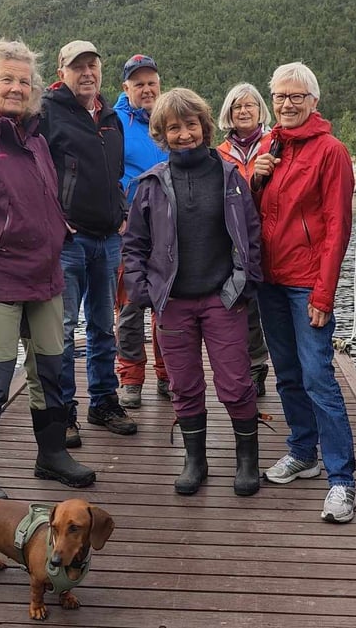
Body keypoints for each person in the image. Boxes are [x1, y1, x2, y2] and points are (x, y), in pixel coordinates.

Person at [0, 38, 96, 500]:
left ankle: (50, 454)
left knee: (51, 369)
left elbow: (46, 206)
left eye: (24, 81)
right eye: (6, 79)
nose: (16, 88)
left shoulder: (37, 142)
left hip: (46, 280)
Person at [122, 88, 263, 497]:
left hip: (223, 297)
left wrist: (242, 284)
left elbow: (250, 236)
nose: (184, 134)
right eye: (173, 128)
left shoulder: (230, 177)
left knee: (236, 383)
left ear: (204, 126)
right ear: (162, 134)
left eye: (190, 125)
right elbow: (134, 246)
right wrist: (143, 290)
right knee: (184, 384)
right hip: (173, 304)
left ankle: (246, 459)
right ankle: (194, 460)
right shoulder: (149, 184)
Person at [251, 62, 356, 523]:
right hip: (271, 282)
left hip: (306, 284)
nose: (288, 104)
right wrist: (256, 177)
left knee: (318, 377)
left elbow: (338, 226)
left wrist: (324, 293)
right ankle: (303, 452)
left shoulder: (331, 151)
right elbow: (259, 216)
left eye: (297, 96)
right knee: (288, 374)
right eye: (280, 96)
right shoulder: (271, 144)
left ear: (314, 101)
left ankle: (342, 480)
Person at [39, 40, 137, 446]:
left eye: (93, 66)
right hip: (69, 243)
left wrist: (122, 211)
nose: (87, 74)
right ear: (62, 72)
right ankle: (63, 414)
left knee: (102, 327)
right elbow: (36, 174)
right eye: (78, 67)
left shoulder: (110, 117)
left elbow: (113, 174)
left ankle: (103, 401)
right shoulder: (46, 112)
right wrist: (55, 220)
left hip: (107, 240)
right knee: (61, 331)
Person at [113, 54, 169, 409]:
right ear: (126, 88)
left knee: (168, 306)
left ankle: (168, 375)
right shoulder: (113, 122)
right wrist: (118, 214)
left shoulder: (169, 118)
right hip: (129, 231)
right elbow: (105, 173)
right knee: (130, 307)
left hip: (168, 230)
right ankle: (131, 378)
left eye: (151, 83)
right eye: (139, 84)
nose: (146, 89)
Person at [216, 83, 273, 397]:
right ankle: (255, 369)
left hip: (274, 239)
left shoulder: (275, 143)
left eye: (250, 105)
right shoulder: (220, 154)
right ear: (229, 113)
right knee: (246, 308)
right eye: (237, 106)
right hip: (237, 242)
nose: (244, 111)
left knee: (275, 307)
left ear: (260, 109)